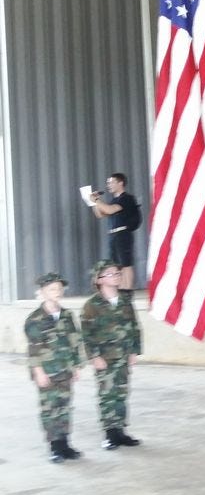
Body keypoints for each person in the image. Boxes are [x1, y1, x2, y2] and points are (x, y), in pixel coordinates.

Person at [81, 259, 143, 450]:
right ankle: (110, 434)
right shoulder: (92, 305)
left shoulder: (125, 300)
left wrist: (134, 350)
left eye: (117, 273)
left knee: (122, 393)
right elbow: (86, 333)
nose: (116, 276)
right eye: (110, 273)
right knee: (107, 394)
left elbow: (134, 326)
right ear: (99, 279)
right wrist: (94, 356)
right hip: (105, 358)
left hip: (123, 355)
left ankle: (121, 431)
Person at [25, 272, 84, 463]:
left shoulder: (67, 315)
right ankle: (55, 447)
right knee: (50, 408)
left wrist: (76, 366)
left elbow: (75, 342)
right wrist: (38, 372)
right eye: (52, 289)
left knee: (65, 407)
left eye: (59, 288)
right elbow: (33, 349)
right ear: (42, 292)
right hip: (47, 371)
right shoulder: (35, 319)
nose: (57, 292)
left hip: (65, 369)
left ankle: (65, 444)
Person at [91, 173, 139, 292]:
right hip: (113, 235)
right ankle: (121, 289)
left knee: (125, 263)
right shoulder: (114, 200)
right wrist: (93, 202)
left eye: (111, 182)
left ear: (120, 183)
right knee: (116, 264)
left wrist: (97, 200)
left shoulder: (126, 198)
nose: (108, 185)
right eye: (108, 183)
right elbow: (100, 214)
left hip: (123, 233)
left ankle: (127, 290)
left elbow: (109, 209)